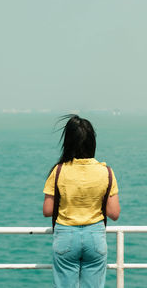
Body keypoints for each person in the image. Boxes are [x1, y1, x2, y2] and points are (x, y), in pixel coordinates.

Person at [43, 115, 120, 288]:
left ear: (68, 142)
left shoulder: (59, 170)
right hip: (95, 236)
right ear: (92, 142)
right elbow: (114, 213)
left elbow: (47, 210)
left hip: (65, 234)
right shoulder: (106, 172)